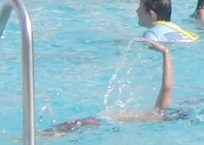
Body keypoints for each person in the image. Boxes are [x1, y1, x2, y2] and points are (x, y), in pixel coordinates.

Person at [43, 38, 177, 134]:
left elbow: (167, 87)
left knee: (61, 130)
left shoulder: (159, 113)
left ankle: (36, 137)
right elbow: (167, 87)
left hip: (102, 123)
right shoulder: (155, 115)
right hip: (103, 122)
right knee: (64, 129)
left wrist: (165, 52)